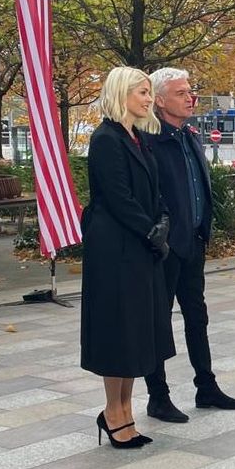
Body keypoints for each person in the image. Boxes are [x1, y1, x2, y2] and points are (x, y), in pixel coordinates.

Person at [144, 67, 235, 422]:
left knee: (197, 316)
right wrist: (165, 236)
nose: (191, 98)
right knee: (157, 320)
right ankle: (157, 396)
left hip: (194, 243)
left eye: (191, 91)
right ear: (159, 101)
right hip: (166, 248)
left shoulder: (190, 136)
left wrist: (203, 229)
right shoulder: (149, 142)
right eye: (180, 93)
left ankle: (206, 386)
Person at [80, 66, 175, 448]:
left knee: (136, 330)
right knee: (117, 330)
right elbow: (118, 198)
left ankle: (124, 411)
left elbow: (153, 190)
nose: (148, 99)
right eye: (141, 92)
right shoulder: (106, 139)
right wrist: (150, 231)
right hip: (115, 248)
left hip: (139, 246)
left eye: (149, 92)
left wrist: (163, 221)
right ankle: (113, 412)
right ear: (122, 94)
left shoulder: (136, 137)